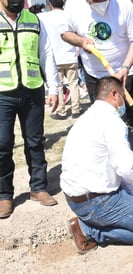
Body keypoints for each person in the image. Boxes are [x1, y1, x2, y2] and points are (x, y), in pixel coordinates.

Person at [60, 76, 133, 254]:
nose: (124, 103)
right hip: (98, 201)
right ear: (114, 94)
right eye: (122, 96)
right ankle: (88, 231)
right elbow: (126, 167)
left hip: (75, 198)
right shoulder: (112, 123)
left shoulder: (84, 119)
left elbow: (117, 169)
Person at [61, 0, 133, 170]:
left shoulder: (123, 5)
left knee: (130, 123)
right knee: (103, 125)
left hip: (123, 74)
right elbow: (65, 33)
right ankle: (110, 169)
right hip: (95, 76)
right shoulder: (73, 5)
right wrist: (81, 41)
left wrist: (125, 67)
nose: (96, 3)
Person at [0, 0, 60, 218]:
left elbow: (46, 53)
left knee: (35, 142)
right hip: (3, 93)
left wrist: (53, 88)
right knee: (2, 144)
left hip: (32, 90)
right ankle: (4, 195)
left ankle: (39, 188)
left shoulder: (34, 20)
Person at [37, 0, 82, 120]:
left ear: (50, 4)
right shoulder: (69, 15)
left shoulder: (44, 17)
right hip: (71, 55)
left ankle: (61, 111)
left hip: (55, 57)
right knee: (74, 84)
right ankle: (76, 109)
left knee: (59, 86)